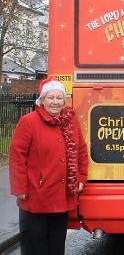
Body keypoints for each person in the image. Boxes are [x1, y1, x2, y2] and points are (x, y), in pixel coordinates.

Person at [9, 77, 88, 255]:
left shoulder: (70, 121)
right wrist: (19, 187)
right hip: (35, 196)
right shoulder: (29, 121)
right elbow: (17, 156)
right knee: (35, 247)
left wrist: (81, 177)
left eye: (59, 98)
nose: (55, 102)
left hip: (61, 198)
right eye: (51, 97)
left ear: (64, 101)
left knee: (56, 247)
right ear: (42, 100)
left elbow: (81, 150)